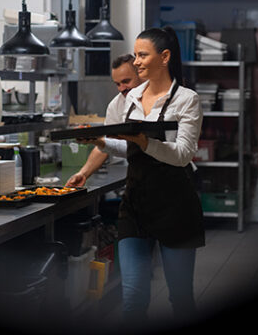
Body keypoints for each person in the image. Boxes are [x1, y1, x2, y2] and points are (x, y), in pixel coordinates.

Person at [79, 27, 205, 325]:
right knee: (133, 297)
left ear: (164, 57)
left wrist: (143, 141)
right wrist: (98, 141)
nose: (136, 61)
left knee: (180, 297)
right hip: (135, 206)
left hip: (176, 208)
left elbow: (183, 154)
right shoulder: (130, 98)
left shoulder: (186, 100)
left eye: (142, 55)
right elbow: (125, 148)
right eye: (135, 54)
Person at [66, 54, 142, 188]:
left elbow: (145, 146)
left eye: (126, 81)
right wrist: (83, 173)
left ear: (140, 75)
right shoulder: (116, 105)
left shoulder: (156, 99)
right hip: (139, 177)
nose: (121, 88)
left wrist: (100, 140)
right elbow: (105, 146)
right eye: (117, 84)